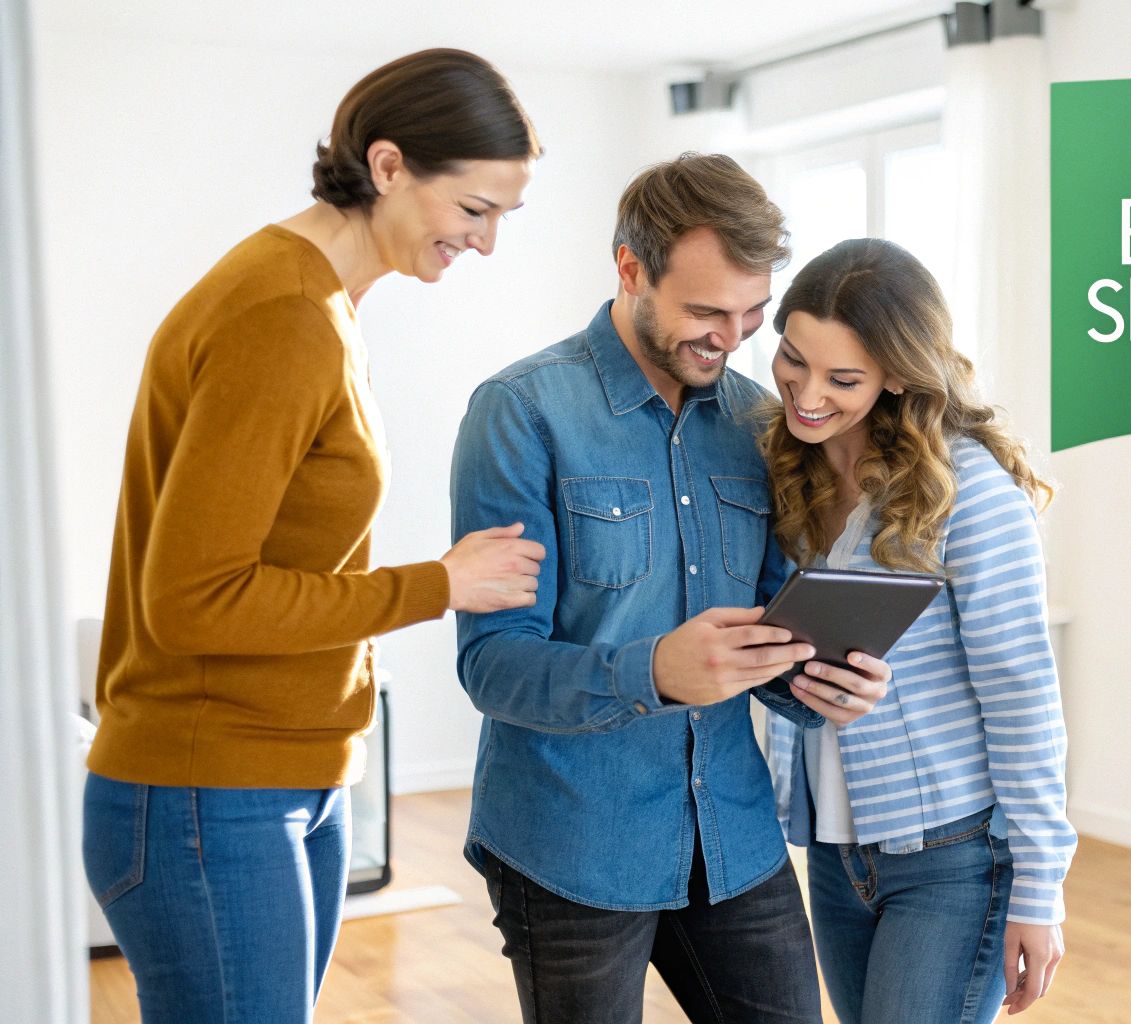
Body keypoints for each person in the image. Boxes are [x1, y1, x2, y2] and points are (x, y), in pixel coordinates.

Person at [81, 49, 545, 1024]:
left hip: (279, 778)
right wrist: (439, 584)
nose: (488, 243)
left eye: (504, 215)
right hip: (210, 790)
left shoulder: (317, 301)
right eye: (474, 209)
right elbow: (192, 598)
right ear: (387, 167)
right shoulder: (283, 313)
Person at [449, 152, 893, 1024]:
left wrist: (823, 687)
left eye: (751, 314)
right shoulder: (521, 413)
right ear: (630, 270)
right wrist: (653, 670)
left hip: (730, 834)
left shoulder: (758, 423)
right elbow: (494, 667)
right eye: (704, 312)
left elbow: (769, 631)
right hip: (569, 839)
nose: (730, 338)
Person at [761, 238, 1076, 1022]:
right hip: (835, 856)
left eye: (843, 379)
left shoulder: (968, 490)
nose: (806, 393)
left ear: (897, 374)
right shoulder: (782, 469)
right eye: (794, 360)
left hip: (954, 862)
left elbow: (1022, 693)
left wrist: (1041, 889)